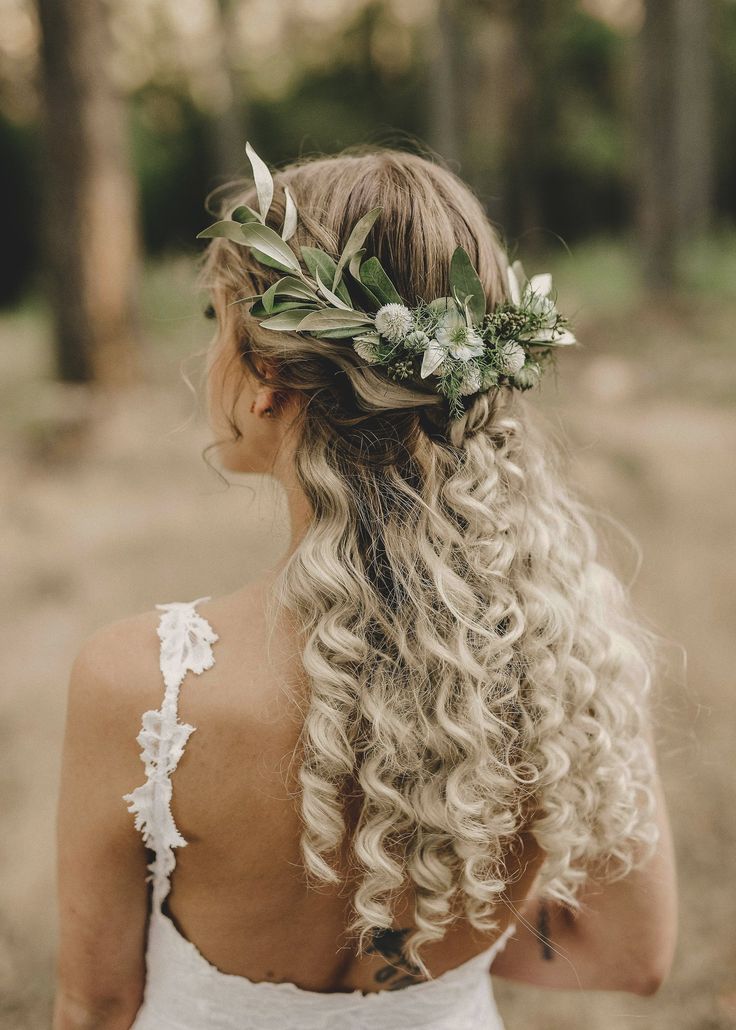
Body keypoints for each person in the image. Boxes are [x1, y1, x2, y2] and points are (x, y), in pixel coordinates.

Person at [53, 144, 677, 1030]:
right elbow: (631, 953)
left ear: (268, 378)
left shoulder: (140, 685)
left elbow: (97, 1002)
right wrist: (436, 960)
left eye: (214, 318)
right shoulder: (571, 647)